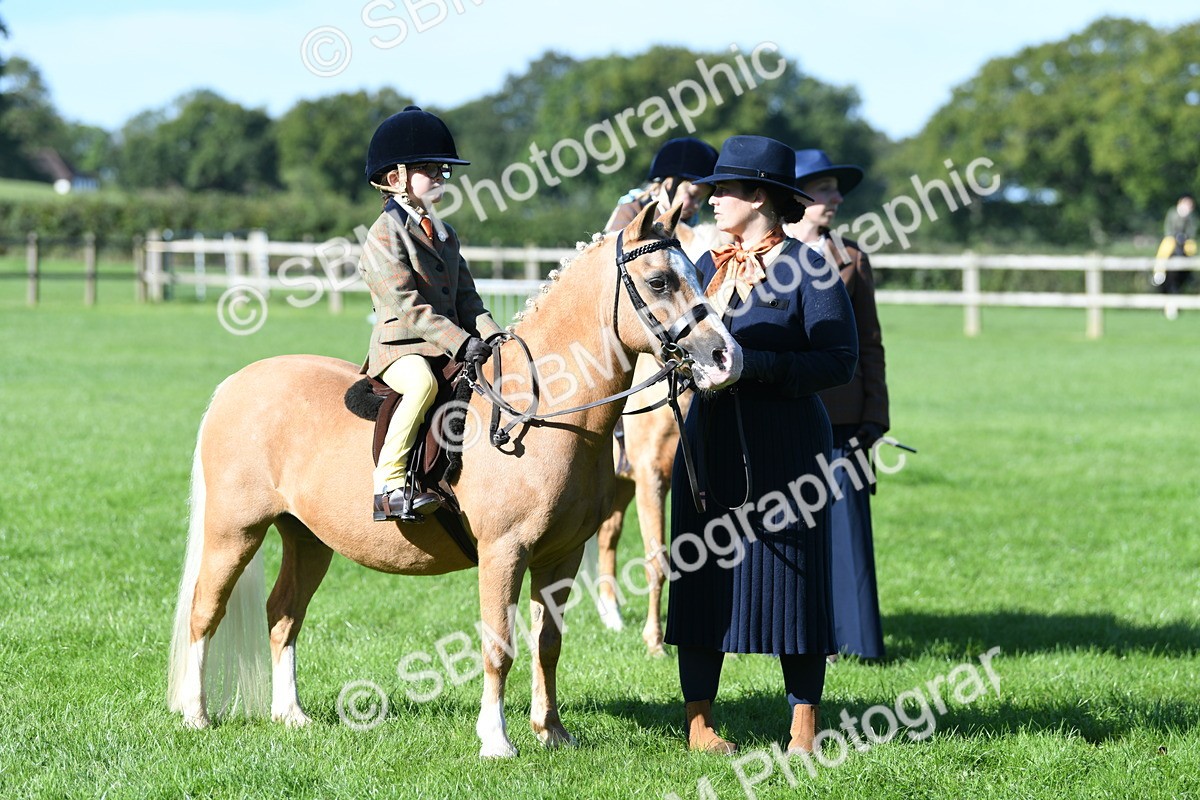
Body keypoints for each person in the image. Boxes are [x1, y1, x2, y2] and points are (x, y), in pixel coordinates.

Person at [664, 135, 858, 755]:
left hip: (787, 445)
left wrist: (755, 363)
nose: (712, 199)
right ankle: (699, 726)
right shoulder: (705, 268)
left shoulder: (811, 266)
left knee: (793, 585)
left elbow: (838, 361)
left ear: (759, 199)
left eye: (724, 190)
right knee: (697, 576)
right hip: (709, 440)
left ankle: (804, 726)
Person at [358, 105, 504, 523]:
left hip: (447, 345)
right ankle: (387, 485)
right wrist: (461, 343)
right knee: (421, 385)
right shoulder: (382, 236)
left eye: (443, 169)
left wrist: (494, 337)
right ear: (396, 179)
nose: (440, 175)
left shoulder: (445, 233)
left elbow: (468, 300)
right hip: (401, 350)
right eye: (429, 168)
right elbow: (409, 306)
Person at [785, 149, 889, 661]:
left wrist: (876, 416)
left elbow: (870, 343)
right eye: (826, 189)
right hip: (781, 413)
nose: (837, 198)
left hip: (845, 419)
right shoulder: (764, 257)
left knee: (846, 532)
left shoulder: (854, 258)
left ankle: (854, 641)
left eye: (836, 189)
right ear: (800, 196)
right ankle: (786, 635)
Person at [604, 137, 719, 232]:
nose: (696, 206)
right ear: (669, 185)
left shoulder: (693, 228)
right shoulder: (631, 211)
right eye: (693, 195)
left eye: (701, 200)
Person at [1153, 192, 1196, 299]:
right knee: (1166, 247)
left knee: (1191, 248)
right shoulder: (1172, 213)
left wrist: (1186, 237)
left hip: (1185, 240)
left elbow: (1192, 230)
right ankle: (1159, 273)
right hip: (1172, 238)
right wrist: (1175, 236)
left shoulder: (1191, 217)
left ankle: (1191, 273)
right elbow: (1168, 228)